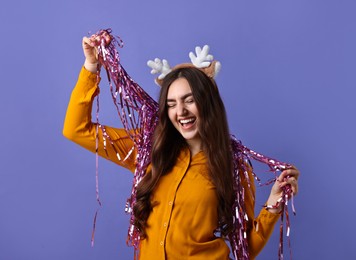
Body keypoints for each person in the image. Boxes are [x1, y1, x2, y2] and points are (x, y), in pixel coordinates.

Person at [63, 32, 300, 259]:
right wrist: (91, 66)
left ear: (207, 103)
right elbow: (77, 129)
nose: (181, 111)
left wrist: (272, 206)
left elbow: (243, 246)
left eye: (189, 100)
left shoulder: (234, 167)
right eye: (172, 103)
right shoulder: (148, 150)